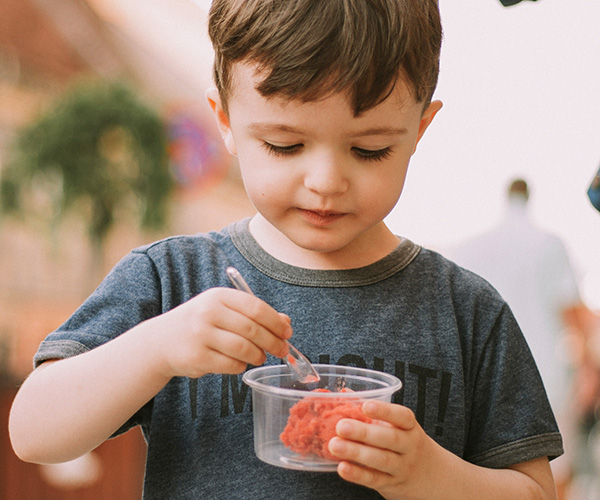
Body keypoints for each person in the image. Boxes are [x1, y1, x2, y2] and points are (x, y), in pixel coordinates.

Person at [9, 1, 562, 499]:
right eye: (285, 144)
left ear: (420, 128)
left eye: (369, 150)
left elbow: (535, 492)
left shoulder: (466, 311)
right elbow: (34, 431)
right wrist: (158, 347)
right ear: (224, 120)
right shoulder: (173, 281)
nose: (325, 180)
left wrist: (430, 475)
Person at [450, 179, 581, 499]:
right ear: (529, 197)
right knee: (554, 474)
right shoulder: (549, 243)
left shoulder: (472, 247)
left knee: (486, 470)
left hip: (481, 375)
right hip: (544, 372)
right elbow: (572, 315)